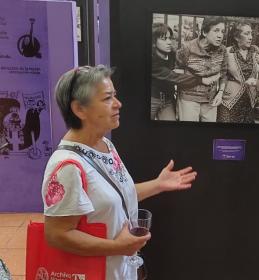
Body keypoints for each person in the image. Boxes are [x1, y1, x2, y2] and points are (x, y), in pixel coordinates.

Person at [42, 65, 198, 280]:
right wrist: (117, 247)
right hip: (97, 273)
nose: (118, 104)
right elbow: (57, 235)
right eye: (107, 98)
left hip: (120, 269)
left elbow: (110, 197)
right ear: (80, 109)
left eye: (115, 96)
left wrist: (158, 184)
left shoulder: (105, 144)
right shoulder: (66, 166)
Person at [175, 16, 227, 122]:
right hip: (188, 99)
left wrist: (220, 93)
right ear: (204, 32)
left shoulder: (223, 50)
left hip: (211, 100)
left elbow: (224, 73)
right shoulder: (187, 47)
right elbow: (177, 73)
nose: (220, 35)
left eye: (222, 31)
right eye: (216, 30)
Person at [217, 22, 259, 123]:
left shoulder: (255, 50)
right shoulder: (228, 52)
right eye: (247, 34)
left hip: (249, 101)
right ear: (237, 37)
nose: (251, 37)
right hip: (230, 100)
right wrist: (221, 92)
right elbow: (222, 75)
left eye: (251, 34)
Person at [151, 22, 202, 121]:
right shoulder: (152, 59)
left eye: (170, 38)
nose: (169, 42)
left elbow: (187, 67)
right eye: (164, 39)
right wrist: (201, 79)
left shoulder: (172, 55)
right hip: (152, 99)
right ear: (153, 42)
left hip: (167, 101)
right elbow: (174, 76)